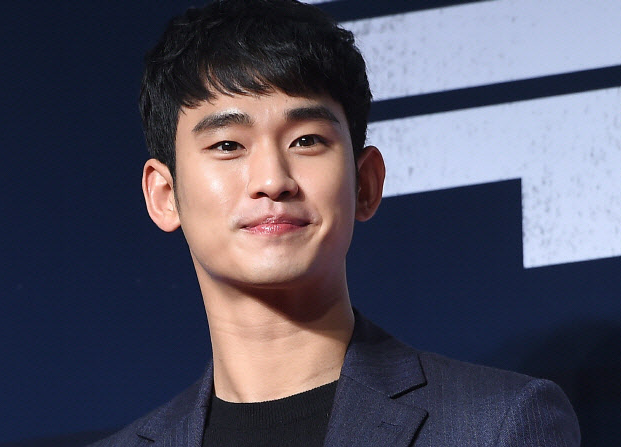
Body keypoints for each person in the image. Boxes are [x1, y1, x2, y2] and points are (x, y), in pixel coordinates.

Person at [89, 0, 580, 445]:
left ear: (365, 182)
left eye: (306, 141)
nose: (272, 181)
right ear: (164, 195)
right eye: (227, 145)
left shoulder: (495, 425)